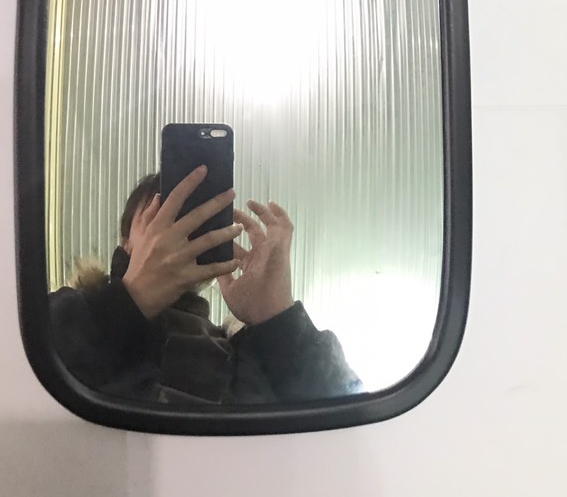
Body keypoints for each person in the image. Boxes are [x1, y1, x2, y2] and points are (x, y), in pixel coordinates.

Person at [48, 165, 362, 403]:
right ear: (126, 243)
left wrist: (278, 321)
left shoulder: (246, 356)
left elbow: (348, 422)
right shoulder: (62, 317)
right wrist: (128, 301)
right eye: (164, 218)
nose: (183, 232)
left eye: (200, 221)